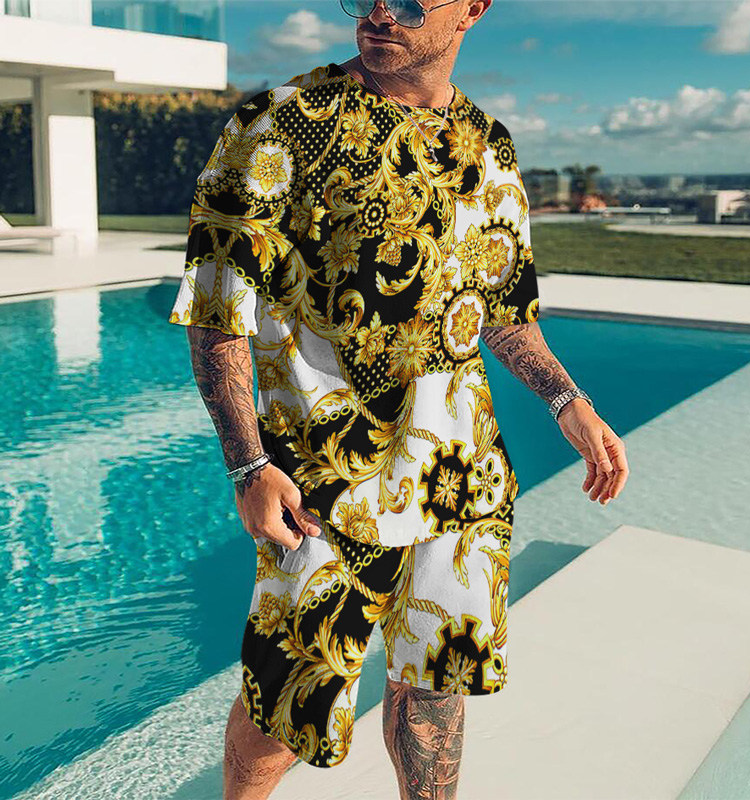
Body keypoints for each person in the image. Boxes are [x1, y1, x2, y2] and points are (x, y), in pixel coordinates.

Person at [168, 0, 629, 796]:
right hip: (327, 482)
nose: (382, 11)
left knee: (436, 695)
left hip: (461, 475)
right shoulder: (282, 123)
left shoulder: (489, 142)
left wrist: (567, 400)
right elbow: (218, 309)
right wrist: (247, 464)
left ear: (473, 9)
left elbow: (502, 308)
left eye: (412, 0)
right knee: (288, 708)